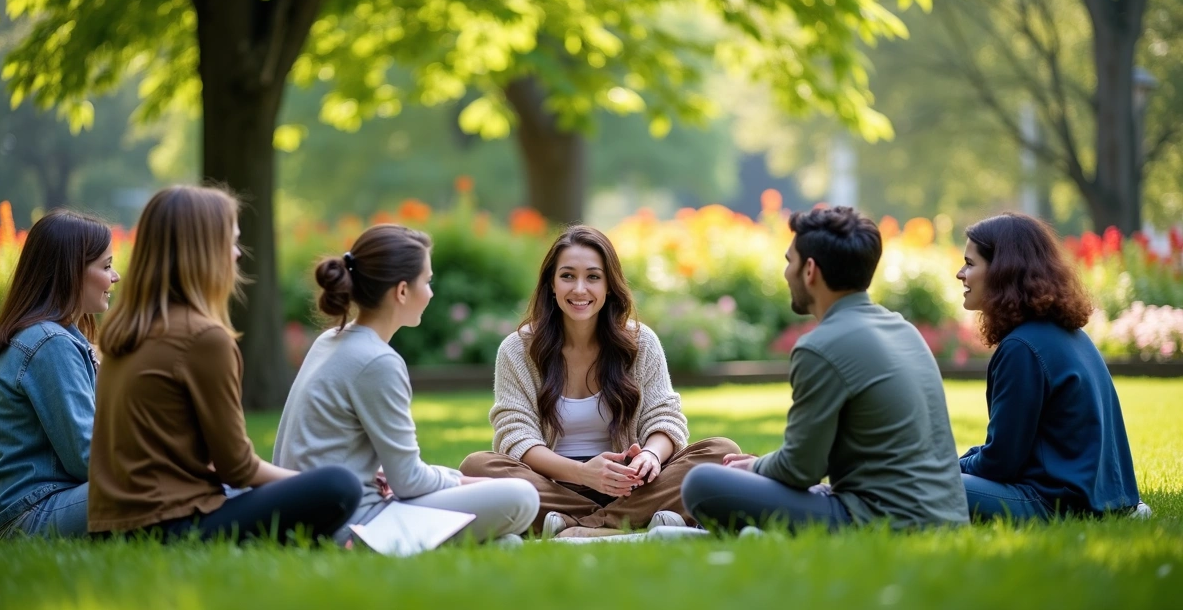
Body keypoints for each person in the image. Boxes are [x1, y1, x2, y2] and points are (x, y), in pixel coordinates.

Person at [88, 186, 361, 543]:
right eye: (230, 242)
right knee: (340, 484)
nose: (236, 254)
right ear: (203, 251)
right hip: (171, 525)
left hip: (112, 530)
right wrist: (312, 480)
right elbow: (239, 468)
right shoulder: (203, 338)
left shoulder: (128, 330)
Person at [681, 206, 969, 532]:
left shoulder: (820, 346)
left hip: (881, 521)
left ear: (810, 270)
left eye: (789, 261)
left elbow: (800, 469)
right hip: (948, 517)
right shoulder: (905, 330)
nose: (786, 272)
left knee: (702, 482)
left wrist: (754, 467)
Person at [460, 225, 739, 539]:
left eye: (593, 277)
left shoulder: (640, 342)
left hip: (631, 486)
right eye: (567, 276)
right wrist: (583, 473)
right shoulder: (517, 350)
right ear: (551, 284)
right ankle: (631, 525)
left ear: (609, 285)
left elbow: (665, 418)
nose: (580, 289)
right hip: (552, 485)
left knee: (721, 451)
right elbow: (516, 438)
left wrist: (650, 456)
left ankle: (578, 528)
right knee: (477, 466)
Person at [273, 224, 540, 546]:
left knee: (507, 543)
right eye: (426, 282)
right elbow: (410, 481)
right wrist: (464, 481)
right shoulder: (377, 361)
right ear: (401, 291)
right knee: (522, 496)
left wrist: (456, 480)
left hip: (312, 513)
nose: (430, 292)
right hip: (353, 524)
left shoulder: (331, 339)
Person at [953, 213, 1143, 520]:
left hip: (1054, 502)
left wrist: (947, 468)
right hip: (1098, 497)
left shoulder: (1021, 348)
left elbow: (1001, 462)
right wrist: (961, 461)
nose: (961, 274)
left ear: (1003, 270)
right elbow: (1012, 447)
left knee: (915, 485)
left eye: (970, 263)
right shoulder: (1067, 335)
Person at [0, 210, 120, 538]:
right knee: (167, 482)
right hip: (32, 513)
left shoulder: (55, 337)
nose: (115, 277)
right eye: (106, 266)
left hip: (49, 503)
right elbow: (86, 458)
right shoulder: (49, 343)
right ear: (72, 272)